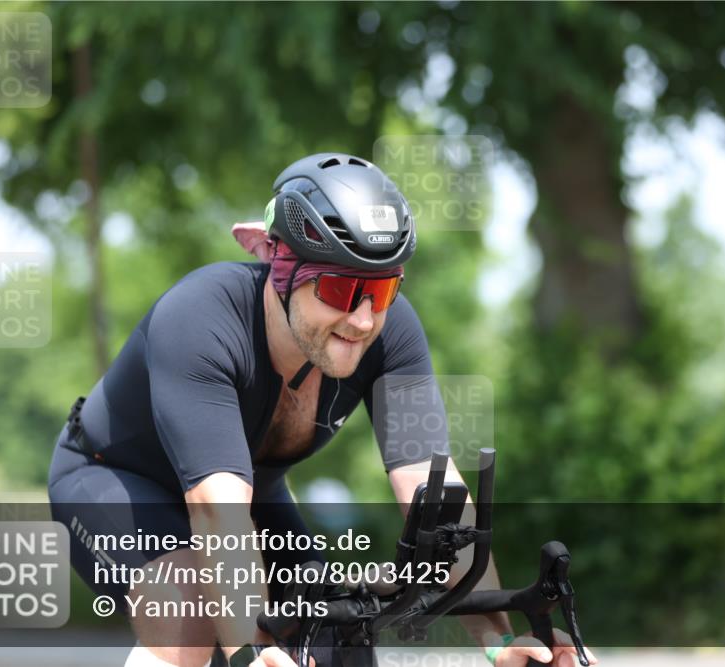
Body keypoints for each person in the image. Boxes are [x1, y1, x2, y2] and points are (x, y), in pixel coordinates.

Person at [47, 153, 593, 667]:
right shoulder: (201, 319)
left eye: (380, 291)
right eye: (337, 287)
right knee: (192, 610)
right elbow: (218, 513)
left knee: (331, 621)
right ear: (281, 266)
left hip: (251, 493)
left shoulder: (392, 331)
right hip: (113, 479)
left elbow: (436, 499)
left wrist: (497, 644)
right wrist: (245, 651)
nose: (360, 319)